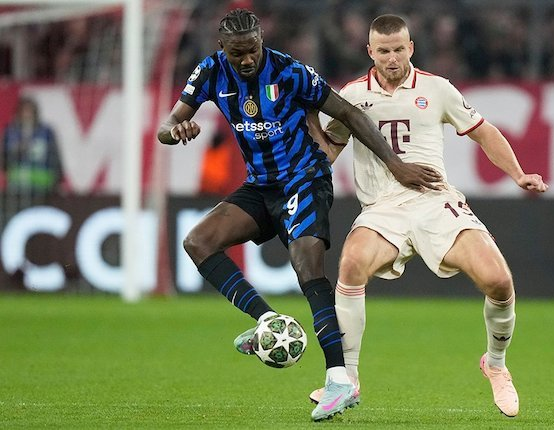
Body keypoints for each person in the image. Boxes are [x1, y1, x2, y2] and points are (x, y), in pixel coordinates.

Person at [156, 9, 440, 421]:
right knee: (198, 241)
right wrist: (176, 131)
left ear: (261, 41)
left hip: (305, 178)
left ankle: (339, 379)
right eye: (237, 53)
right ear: (222, 49)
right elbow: (168, 124)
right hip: (261, 186)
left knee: (306, 263)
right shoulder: (211, 72)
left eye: (253, 50)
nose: (247, 59)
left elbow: (349, 113)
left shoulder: (290, 72)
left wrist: (395, 165)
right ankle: (267, 321)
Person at [307, 14, 548, 418]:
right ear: (370, 52)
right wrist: (310, 123)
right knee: (351, 264)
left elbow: (483, 131)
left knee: (498, 280)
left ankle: (496, 363)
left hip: (435, 201)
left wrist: (518, 173)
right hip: (383, 208)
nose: (392, 58)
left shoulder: (437, 89)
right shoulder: (352, 95)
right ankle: (346, 379)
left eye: (399, 49)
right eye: (384, 51)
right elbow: (329, 150)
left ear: (411, 48)